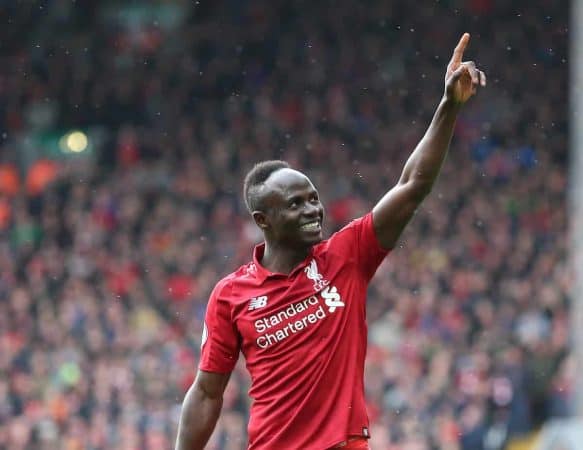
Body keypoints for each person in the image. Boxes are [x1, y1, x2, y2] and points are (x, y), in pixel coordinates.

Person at [175, 33, 486, 450]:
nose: (312, 210)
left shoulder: (346, 255)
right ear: (263, 220)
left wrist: (449, 106)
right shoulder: (230, 296)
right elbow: (207, 392)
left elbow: (412, 185)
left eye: (314, 199)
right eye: (296, 204)